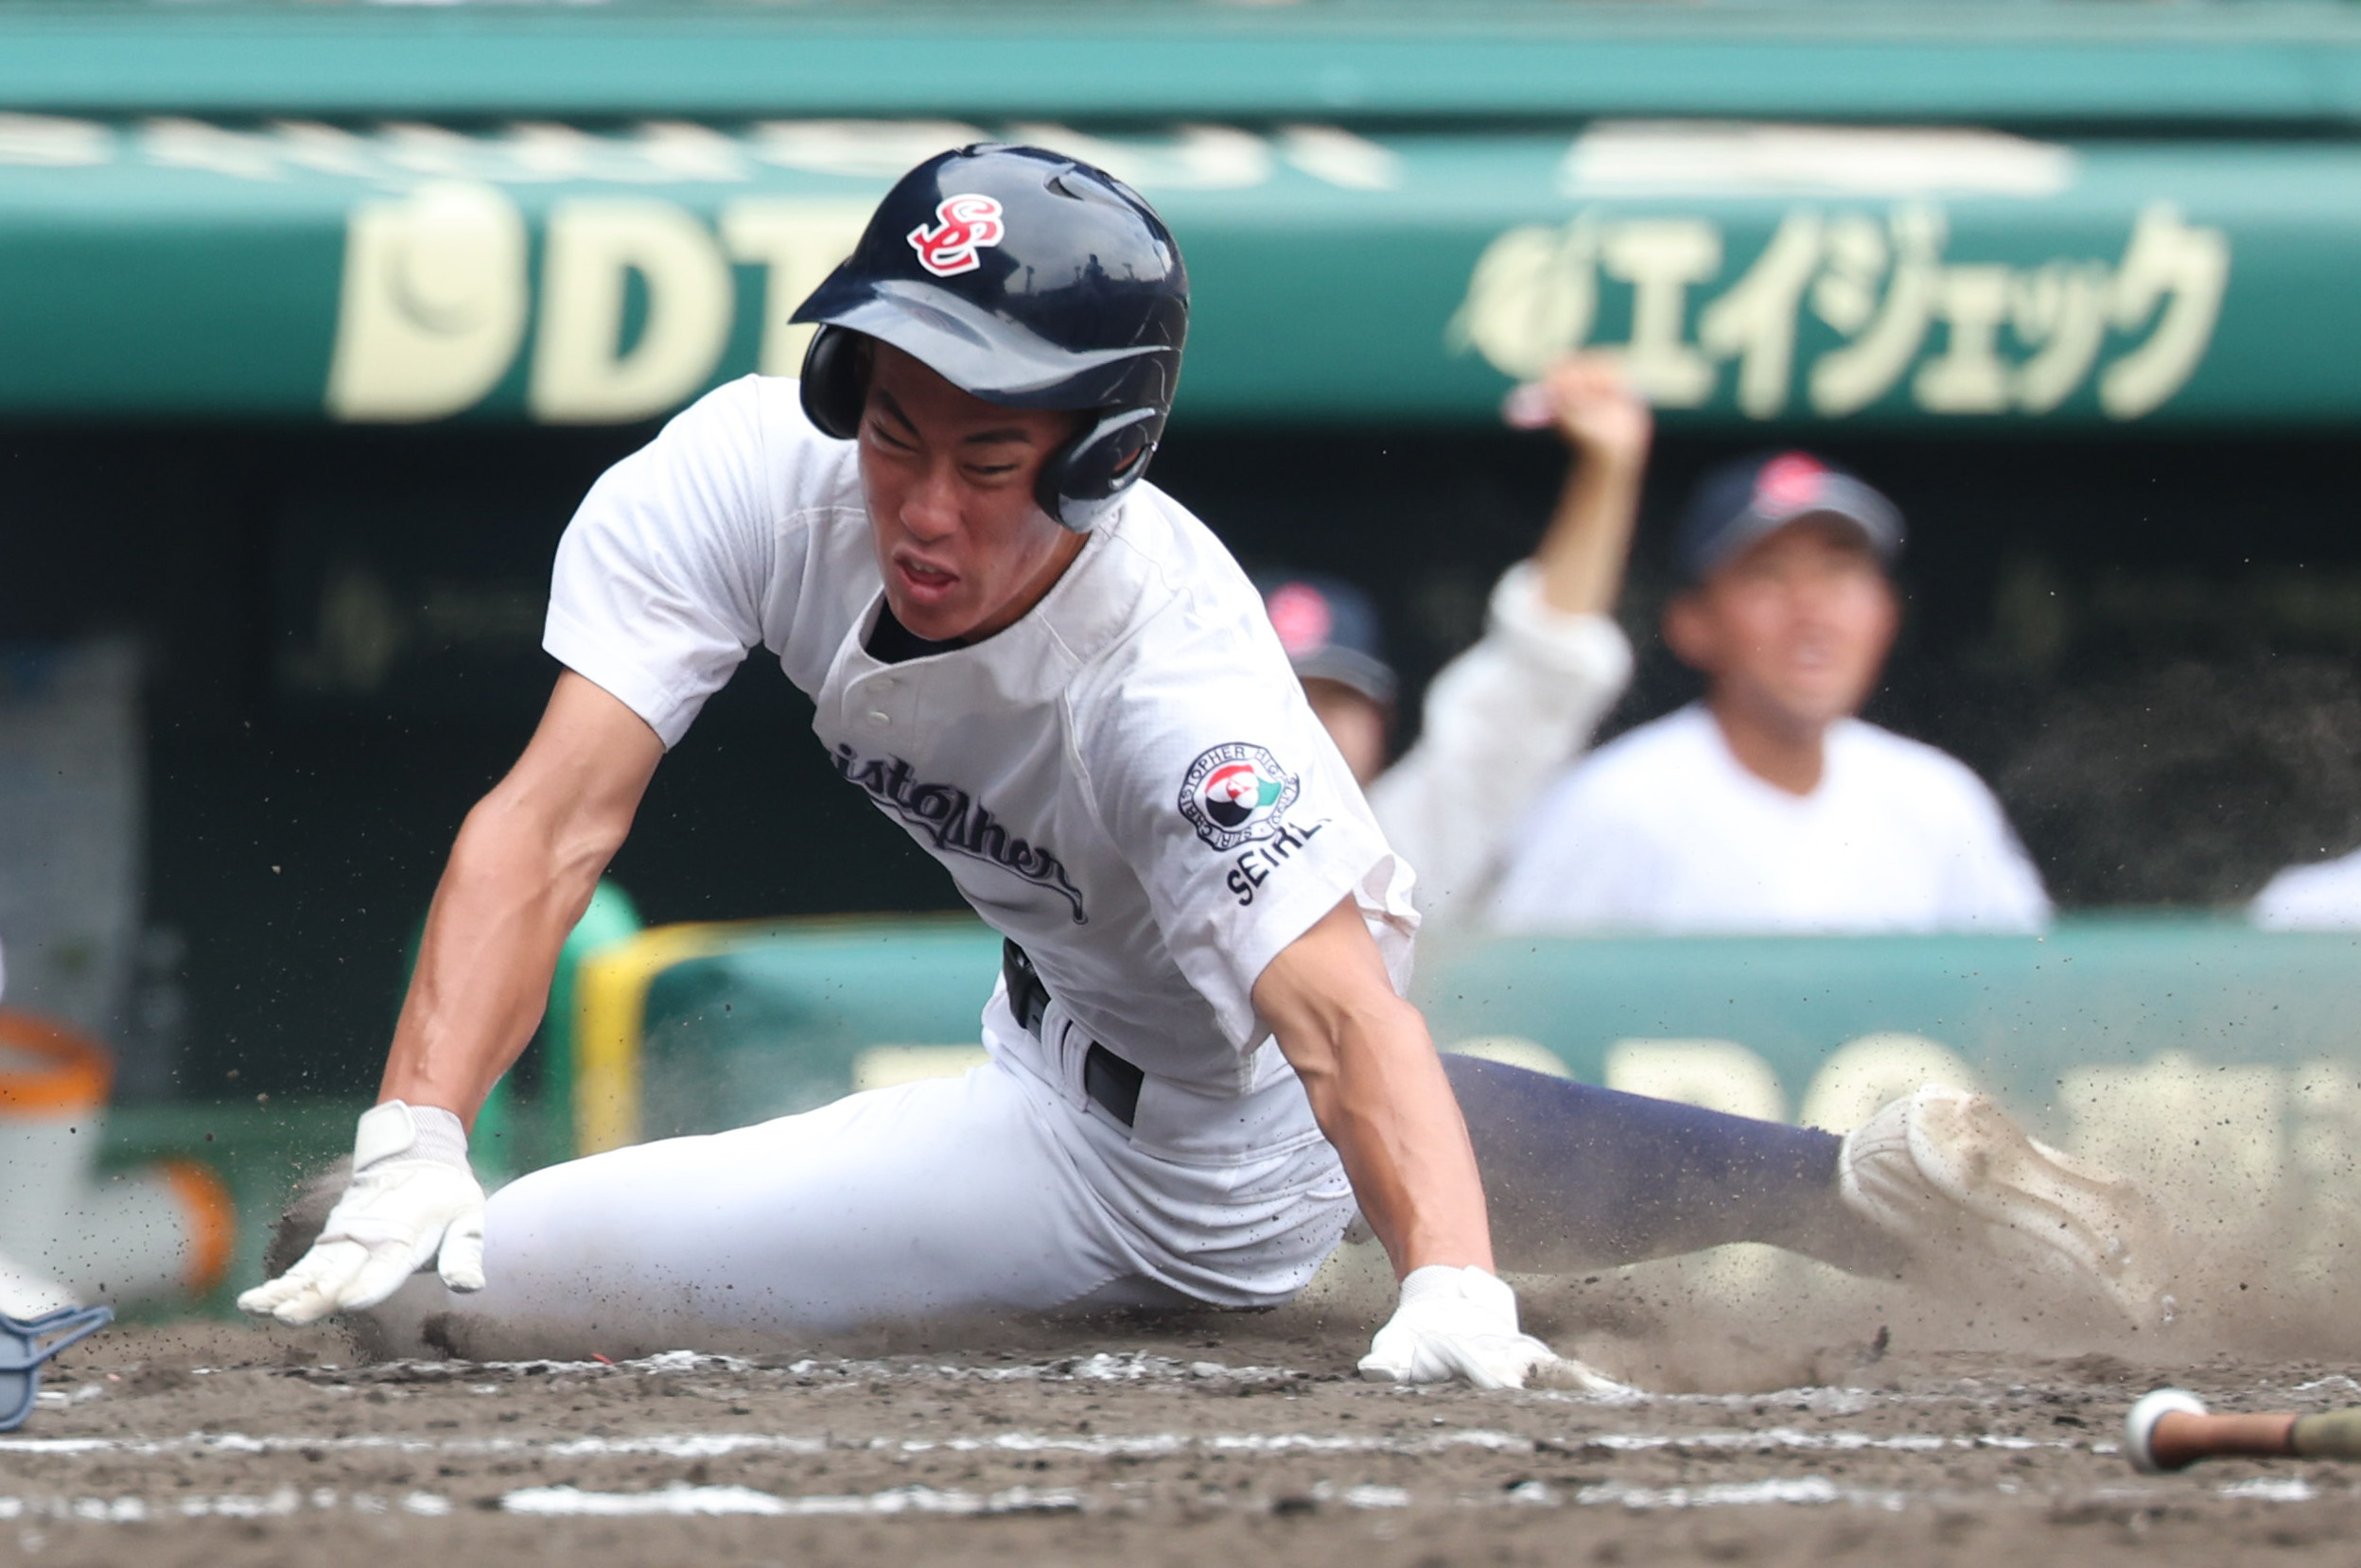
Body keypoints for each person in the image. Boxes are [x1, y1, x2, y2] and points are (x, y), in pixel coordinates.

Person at [242, 150, 2163, 1380]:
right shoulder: (755, 472)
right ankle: (1839, 1181)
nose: (918, 500)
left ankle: (1779, 1198)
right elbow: (552, 817)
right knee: (397, 1252)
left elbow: (1339, 1024)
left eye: (987, 454)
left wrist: (1455, 1288)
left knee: (1282, 1166)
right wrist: (420, 1126)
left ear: (1096, 451)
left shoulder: (1175, 680)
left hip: (1185, 1168)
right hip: (1032, 1068)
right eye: (895, 423)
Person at [1491, 452, 2052, 934]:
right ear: (1693, 623)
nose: (1812, 612)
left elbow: (2037, 1000)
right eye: (1767, 576)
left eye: (1839, 573)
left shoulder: (1940, 802)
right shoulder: (1614, 805)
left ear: (1887, 613)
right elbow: (1510, 1019)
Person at [1260, 355, 1645, 927]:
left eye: (1333, 700)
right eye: (1283, 702)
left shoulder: (1407, 841)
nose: (1310, 729)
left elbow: (1545, 667)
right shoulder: (1137, 849)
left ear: (1380, 723)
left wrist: (1609, 469)